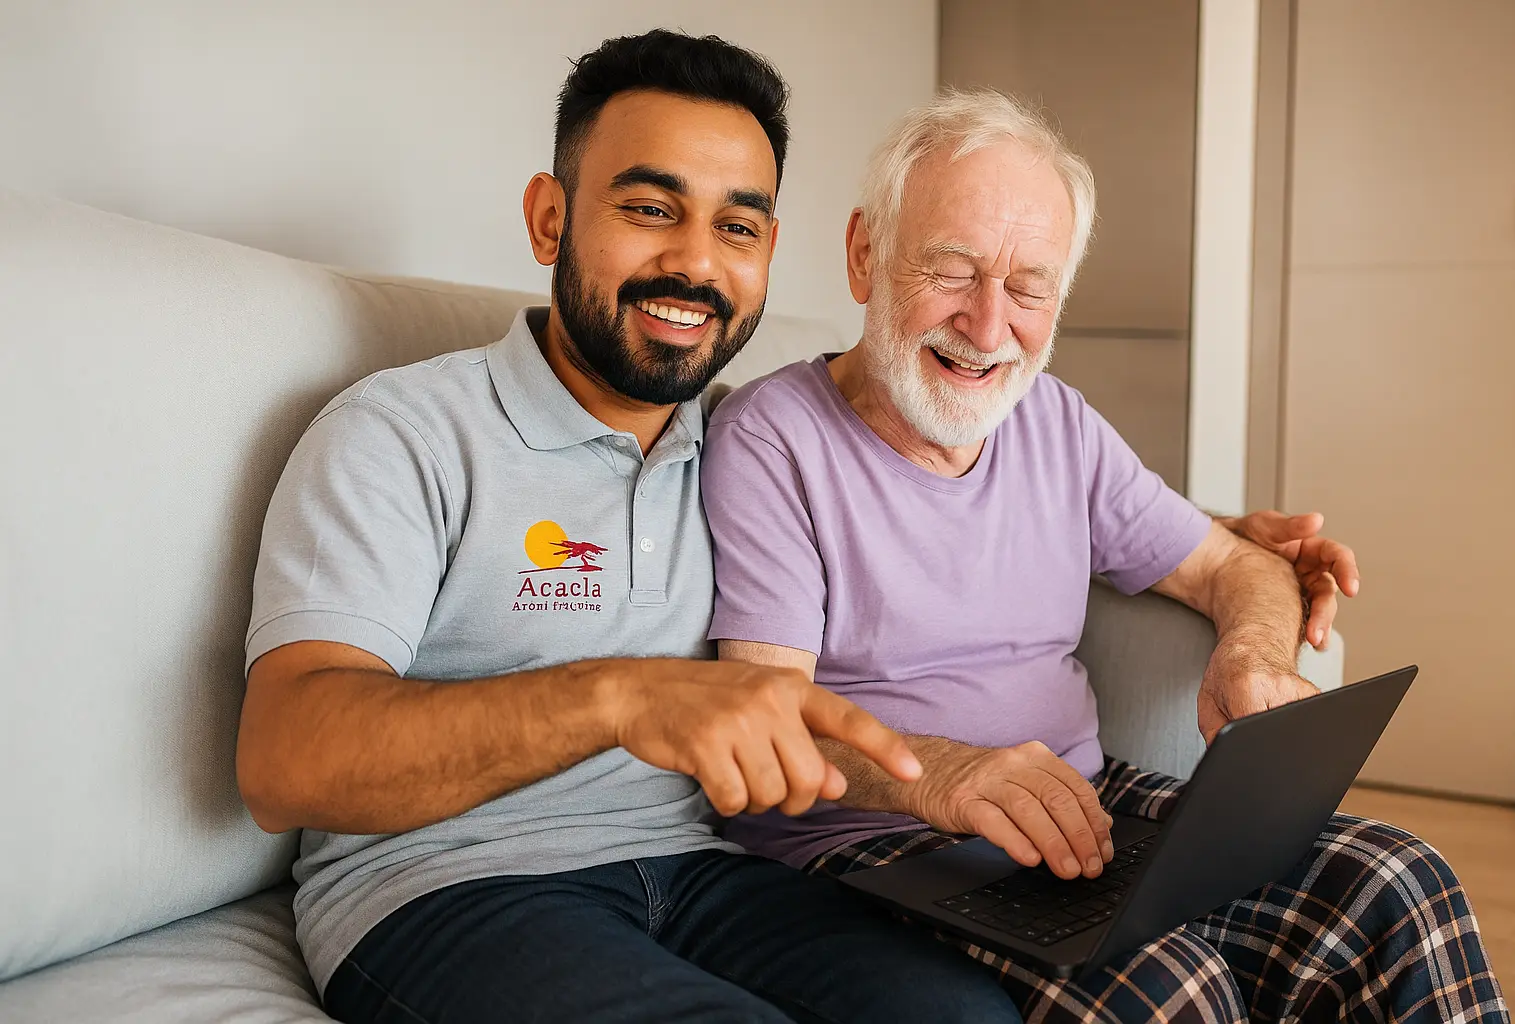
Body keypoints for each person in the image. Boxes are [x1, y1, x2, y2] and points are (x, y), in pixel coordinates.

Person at [236, 32, 1026, 1024]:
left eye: (737, 229)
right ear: (549, 218)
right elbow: (283, 763)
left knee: (969, 1016)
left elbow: (950, 477)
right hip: (440, 889)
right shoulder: (401, 433)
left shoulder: (752, 444)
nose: (695, 262)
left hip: (699, 872)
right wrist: (619, 695)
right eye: (650, 209)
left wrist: (1216, 541)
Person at [702, 88, 1509, 1022]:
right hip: (875, 844)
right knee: (1173, 993)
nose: (988, 322)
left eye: (1030, 286)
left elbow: (1229, 563)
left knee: (1401, 883)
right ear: (864, 254)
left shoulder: (1055, 423)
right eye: (953, 269)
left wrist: (1253, 654)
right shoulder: (772, 438)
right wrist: (954, 777)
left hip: (1083, 803)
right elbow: (764, 713)